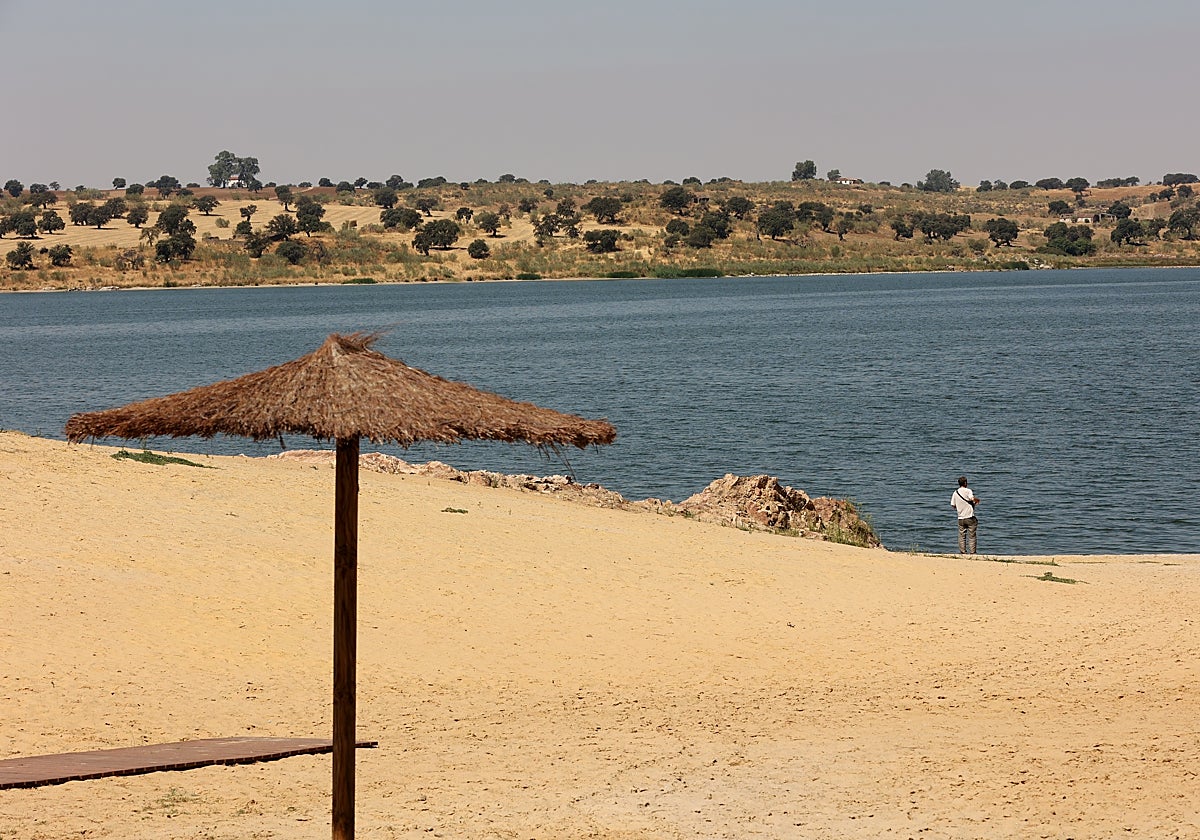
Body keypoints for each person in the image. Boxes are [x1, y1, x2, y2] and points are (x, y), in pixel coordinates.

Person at [951, 475, 980, 554]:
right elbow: (971, 498)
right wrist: (977, 500)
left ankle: (963, 552)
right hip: (970, 517)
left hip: (960, 518)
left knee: (961, 536)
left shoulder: (955, 493)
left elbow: (953, 505)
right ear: (965, 483)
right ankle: (972, 552)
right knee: (972, 536)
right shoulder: (968, 491)